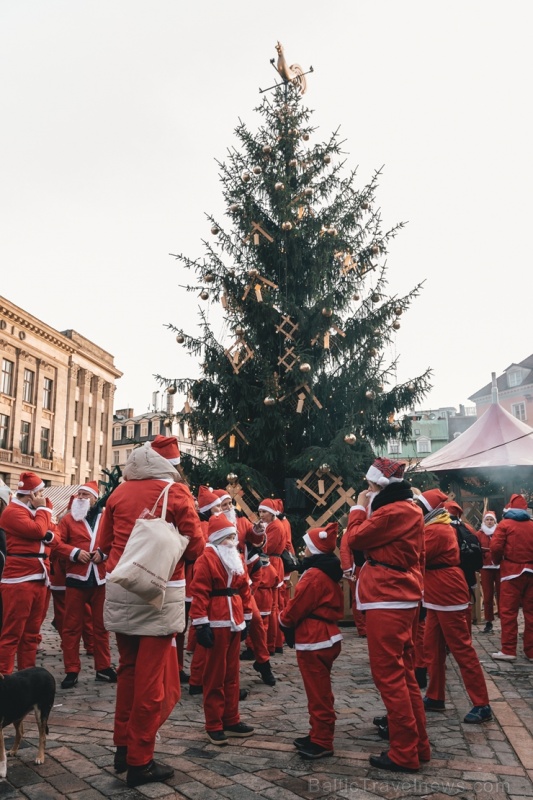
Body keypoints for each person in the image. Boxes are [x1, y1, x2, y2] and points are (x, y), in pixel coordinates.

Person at [99, 435, 204, 788]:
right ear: (171, 465)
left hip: (121, 585)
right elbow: (196, 546)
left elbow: (102, 544)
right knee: (151, 680)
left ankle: (122, 745)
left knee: (128, 669)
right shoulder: (175, 493)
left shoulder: (119, 492)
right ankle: (140, 760)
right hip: (159, 590)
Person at [346, 458, 430, 774]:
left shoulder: (394, 511)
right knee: (405, 675)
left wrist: (358, 506)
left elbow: (354, 538)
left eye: (369, 486)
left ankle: (404, 753)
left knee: (390, 676)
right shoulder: (407, 510)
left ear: (379, 485)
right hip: (401, 596)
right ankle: (417, 746)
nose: (365, 491)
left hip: (387, 597)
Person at [417, 490, 492, 724]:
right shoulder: (437, 527)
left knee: (461, 649)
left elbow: (416, 556)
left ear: (427, 510)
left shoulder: (436, 530)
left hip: (447, 592)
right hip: (438, 592)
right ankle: (435, 696)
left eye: (418, 507)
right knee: (433, 647)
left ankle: (482, 704)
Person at [189, 512, 255, 745]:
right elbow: (199, 593)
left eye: (234, 536)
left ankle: (231, 718)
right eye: (229, 537)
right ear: (218, 539)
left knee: (232, 673)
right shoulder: (205, 559)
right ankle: (214, 723)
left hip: (234, 619)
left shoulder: (235, 558)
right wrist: (200, 623)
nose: (233, 541)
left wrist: (247, 617)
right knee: (215, 675)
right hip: (216, 621)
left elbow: (245, 590)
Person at [280, 522, 343, 760]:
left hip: (314, 638)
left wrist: (283, 621)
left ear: (313, 549)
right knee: (320, 690)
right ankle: (317, 731)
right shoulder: (326, 571)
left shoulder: (314, 576)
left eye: (306, 546)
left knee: (317, 692)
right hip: (326, 636)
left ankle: (322, 740)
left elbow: (297, 607)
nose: (303, 550)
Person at [55, 482, 116, 689]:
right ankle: (71, 670)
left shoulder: (106, 517)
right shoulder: (68, 520)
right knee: (71, 627)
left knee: (101, 627)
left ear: (94, 498)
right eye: (78, 493)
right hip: (76, 579)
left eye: (85, 494)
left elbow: (115, 540)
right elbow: (56, 544)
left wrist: (104, 554)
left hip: (99, 578)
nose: (80, 497)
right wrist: (73, 552)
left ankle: (103, 667)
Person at [0, 472, 55, 674]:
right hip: (18, 579)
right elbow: (39, 531)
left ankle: (27, 675)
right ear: (32, 494)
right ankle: (3, 676)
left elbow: (52, 534)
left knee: (31, 634)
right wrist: (43, 510)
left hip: (39, 577)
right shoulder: (13, 512)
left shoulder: (32, 511)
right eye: (40, 492)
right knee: (12, 633)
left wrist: (44, 520)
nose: (43, 496)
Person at [490, 494, 533, 661]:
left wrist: (497, 562)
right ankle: (531, 652)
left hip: (511, 572)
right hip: (531, 571)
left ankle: (508, 649)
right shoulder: (531, 525)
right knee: (531, 613)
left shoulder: (505, 524)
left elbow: (495, 547)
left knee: (508, 612)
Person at [475, 511, 500, 633]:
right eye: (487, 520)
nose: (489, 522)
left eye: (491, 520)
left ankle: (504, 618)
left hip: (499, 566)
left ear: (495, 521)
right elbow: (476, 548)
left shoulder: (500, 532)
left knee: (502, 594)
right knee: (488, 595)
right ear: (484, 521)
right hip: (485, 567)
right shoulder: (480, 534)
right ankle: (489, 621)